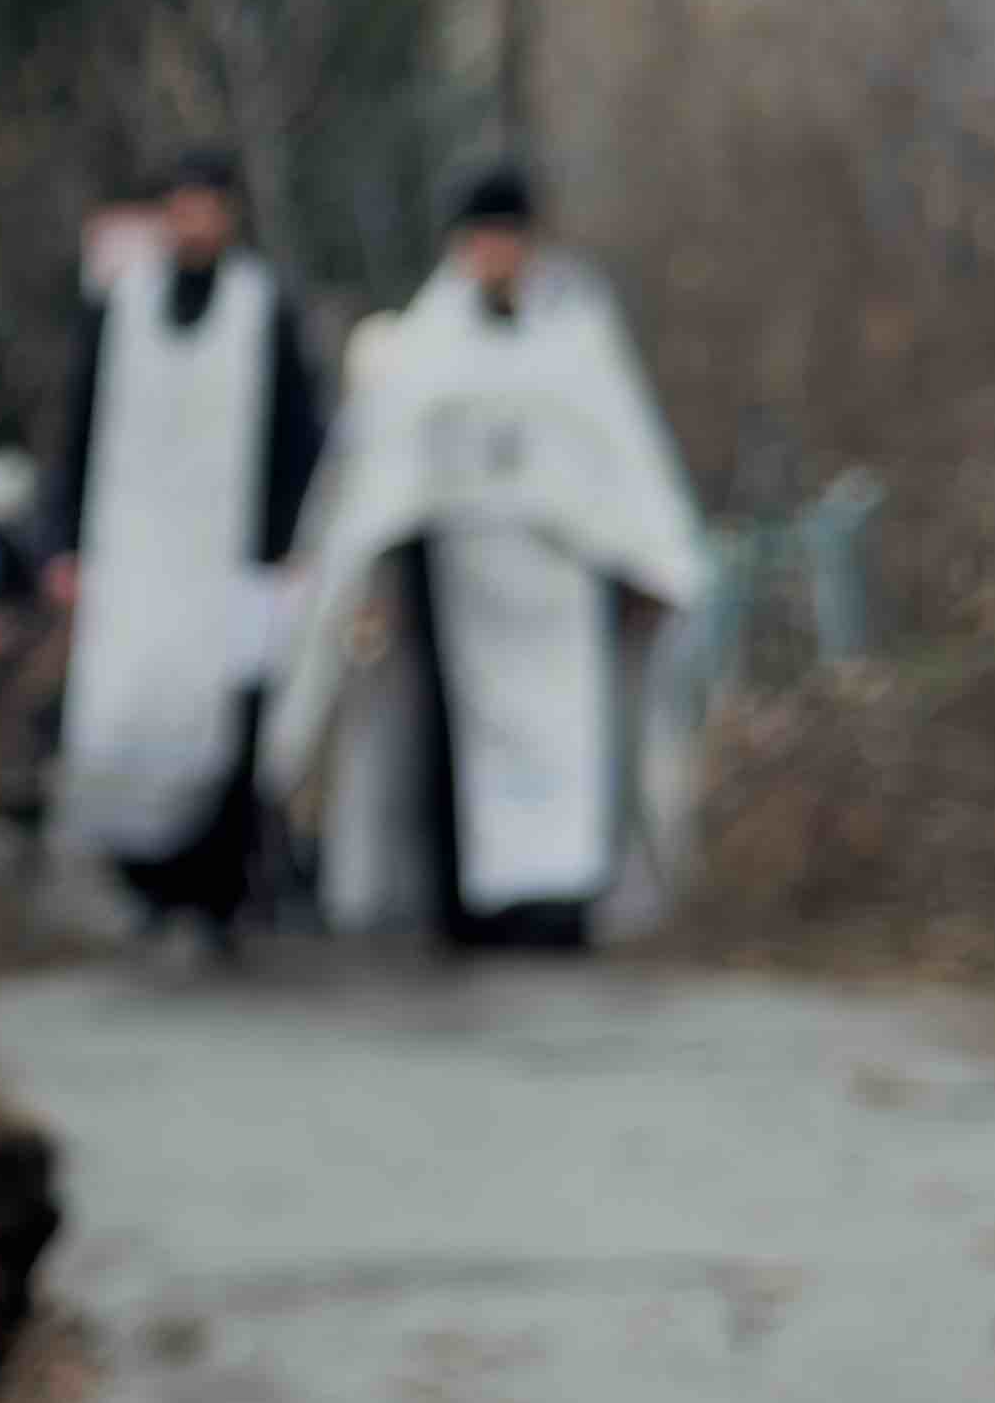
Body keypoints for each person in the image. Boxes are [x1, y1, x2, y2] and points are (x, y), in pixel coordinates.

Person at [270, 163, 710, 952]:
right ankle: (464, 908)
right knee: (457, 755)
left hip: (560, 587)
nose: (496, 253)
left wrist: (646, 558)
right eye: (482, 238)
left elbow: (620, 456)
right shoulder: (426, 342)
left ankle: (561, 904)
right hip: (459, 581)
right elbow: (380, 471)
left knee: (567, 743)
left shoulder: (576, 335)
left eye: (508, 237)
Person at [40, 148, 328, 954]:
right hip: (131, 553)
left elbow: (296, 434)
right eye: (182, 206)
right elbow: (77, 424)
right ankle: (147, 884)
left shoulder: (262, 307)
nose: (194, 221)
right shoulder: (118, 307)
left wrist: (287, 546)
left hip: (230, 562)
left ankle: (218, 895)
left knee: (225, 727)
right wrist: (61, 540)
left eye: (209, 206)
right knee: (130, 717)